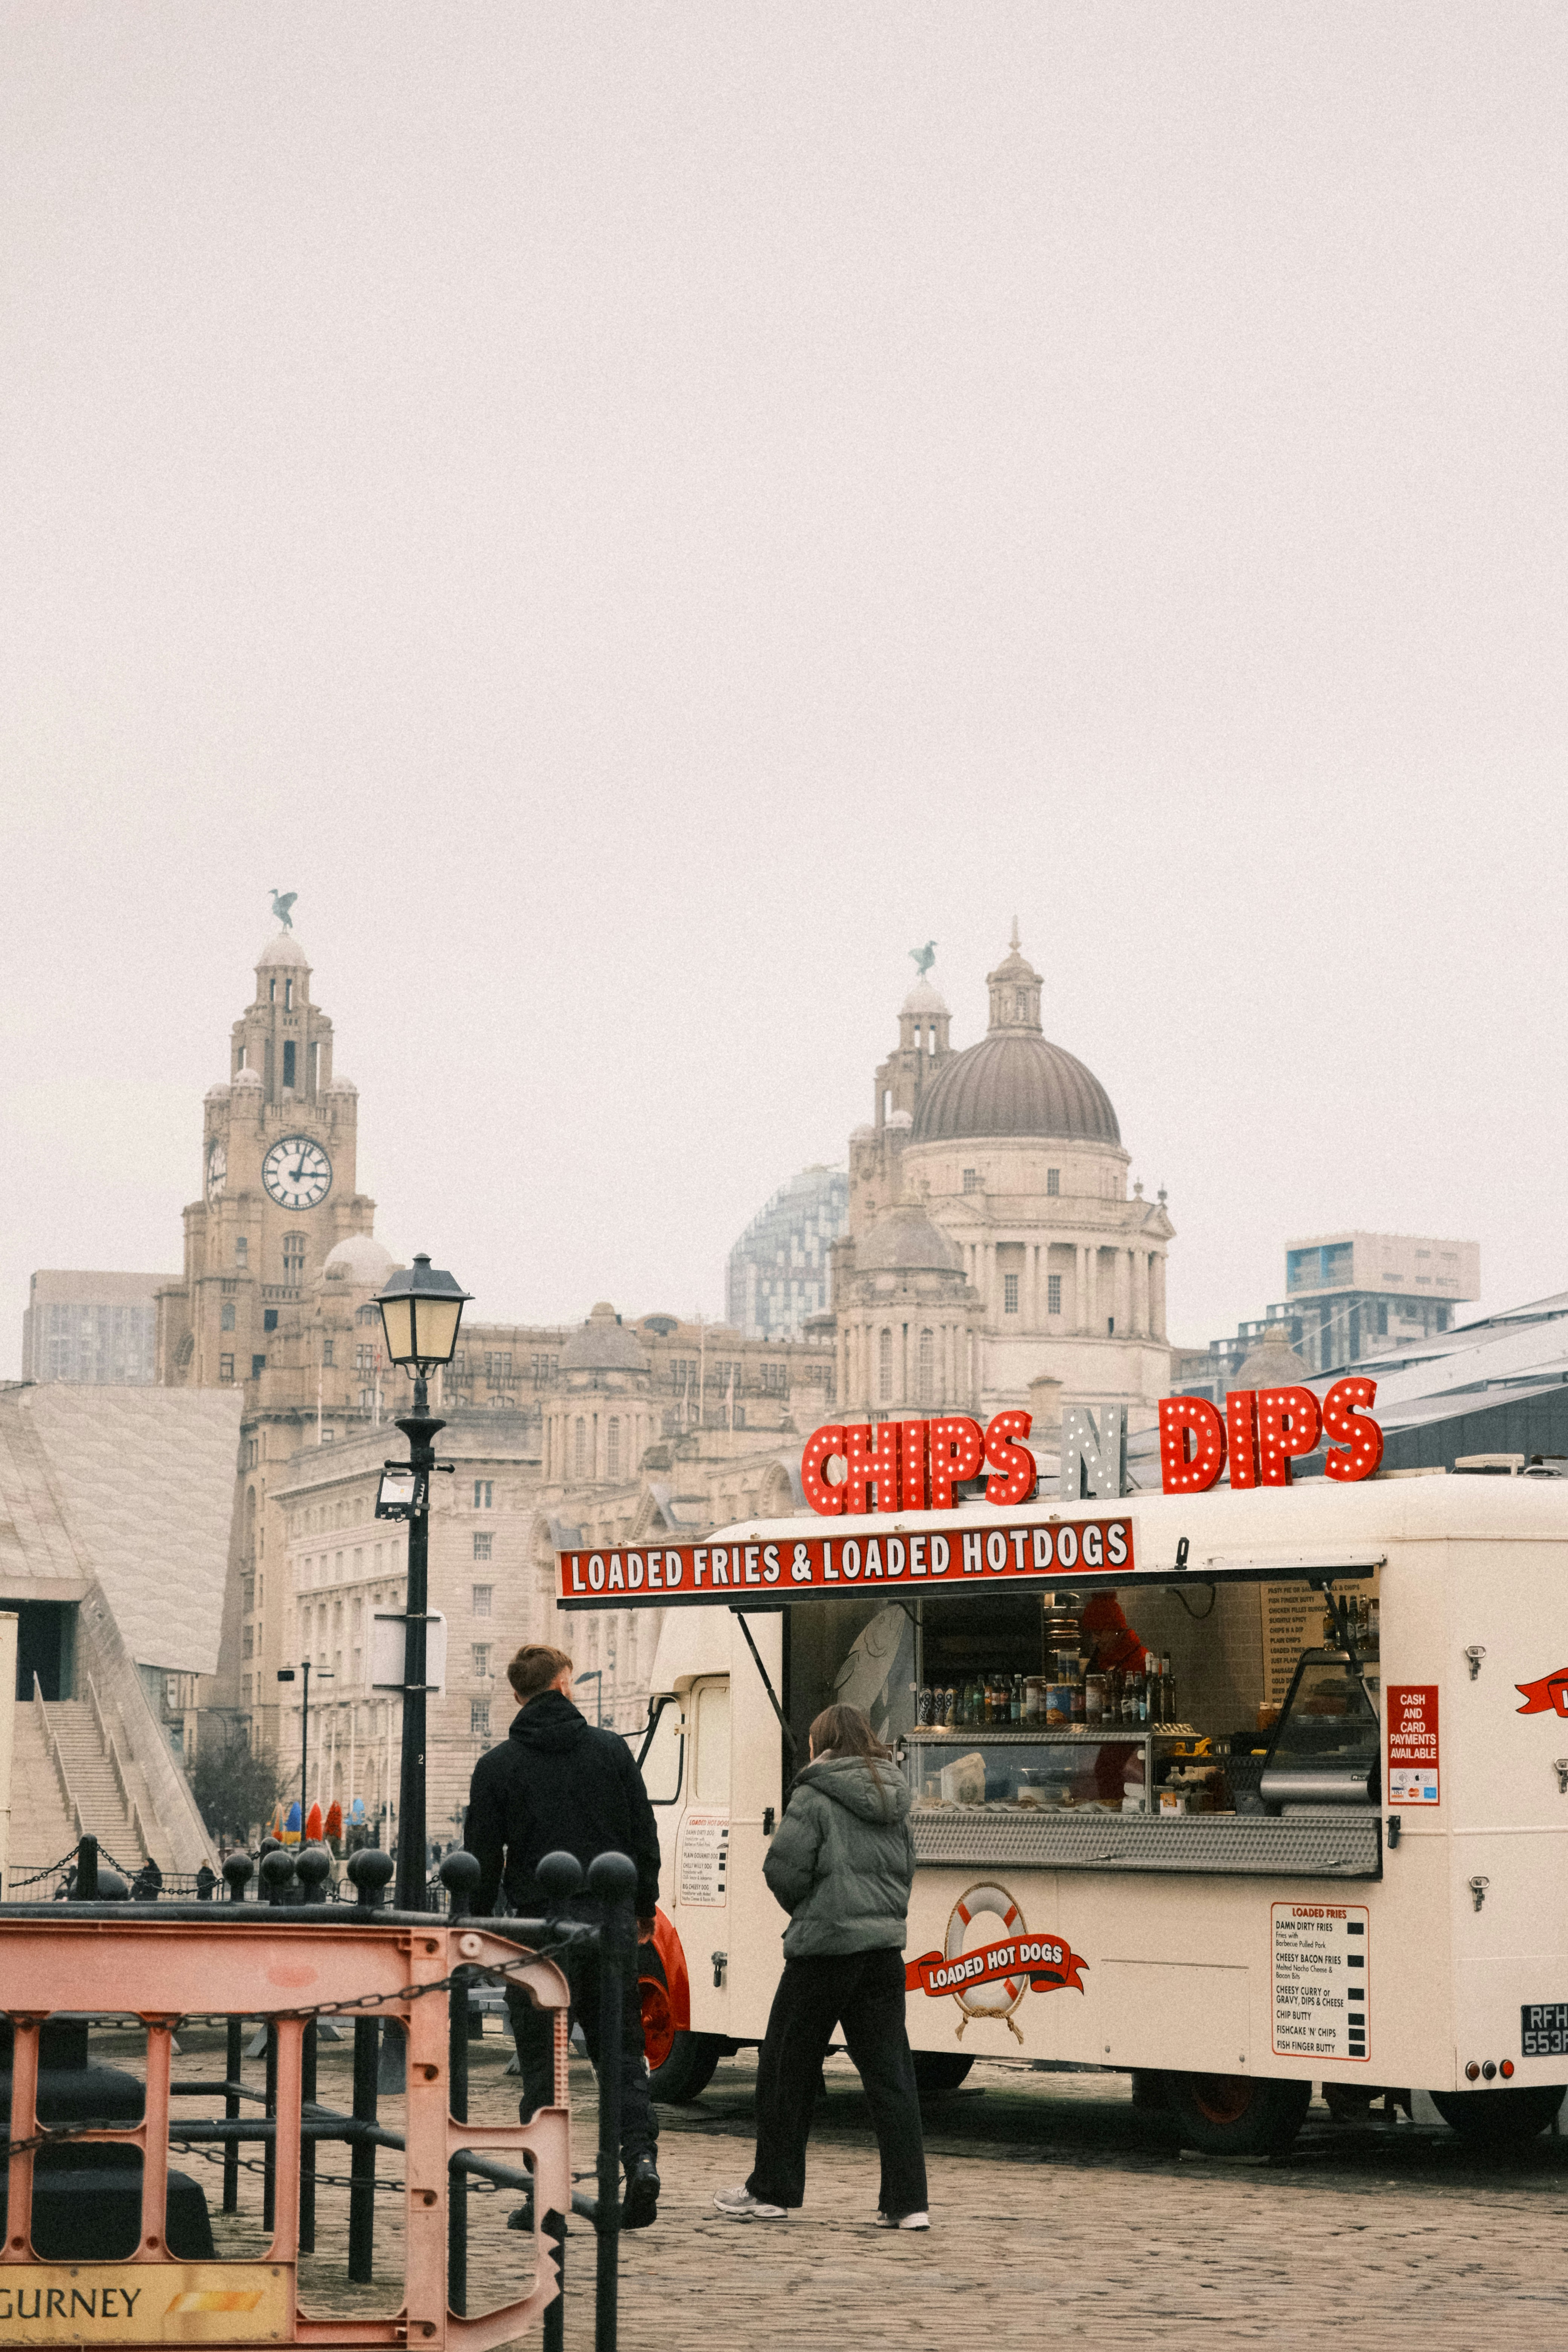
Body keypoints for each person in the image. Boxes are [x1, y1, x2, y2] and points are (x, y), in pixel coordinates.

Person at [466, 1643, 663, 2230]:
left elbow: (482, 1859)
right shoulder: (610, 1750)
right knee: (621, 2055)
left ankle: (546, 2189)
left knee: (542, 2066)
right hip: (607, 1924)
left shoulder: (498, 1765)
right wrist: (643, 1904)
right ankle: (640, 2159)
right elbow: (642, 1833)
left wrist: (478, 1927)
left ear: (520, 1694)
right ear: (564, 1683)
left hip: (536, 1931)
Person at [714, 1702, 929, 2230]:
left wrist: (811, 1911)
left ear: (822, 1745)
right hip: (882, 1953)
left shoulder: (813, 1794)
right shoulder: (894, 1797)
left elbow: (783, 1870)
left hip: (824, 1951)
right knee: (891, 2077)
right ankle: (909, 2203)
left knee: (787, 2068)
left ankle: (772, 2189)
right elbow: (906, 1872)